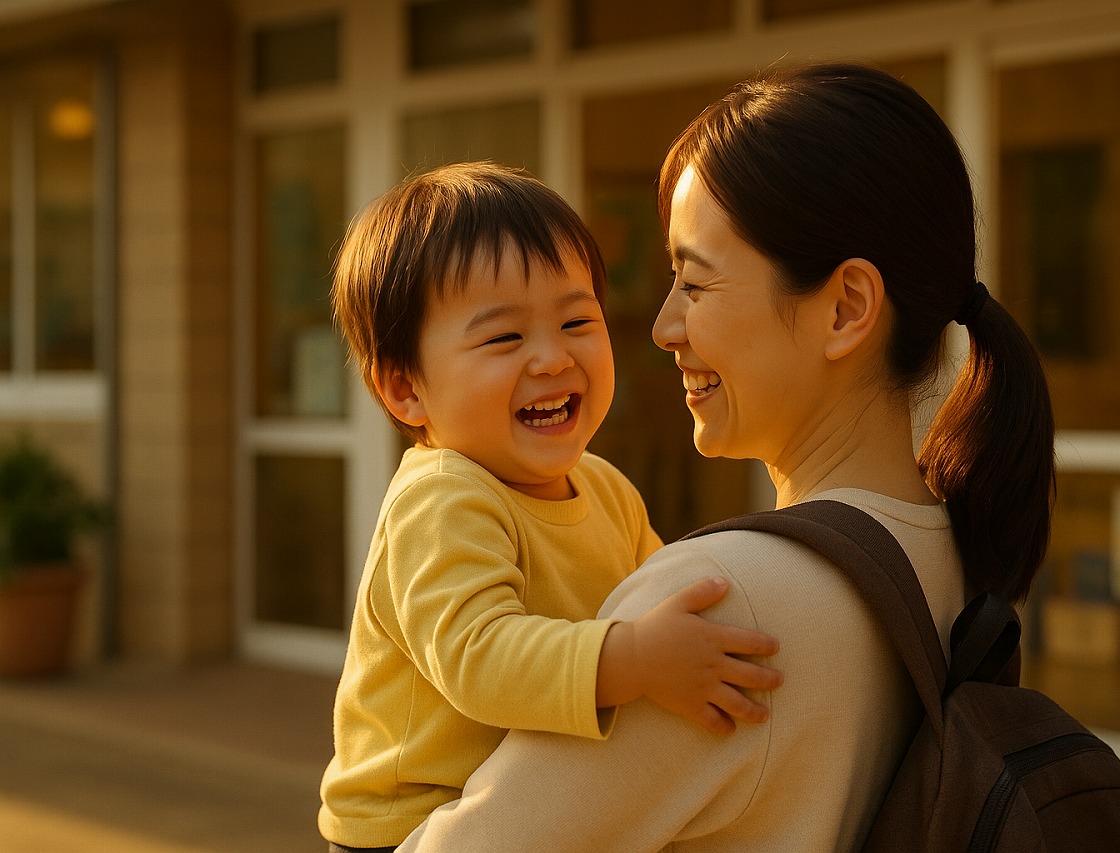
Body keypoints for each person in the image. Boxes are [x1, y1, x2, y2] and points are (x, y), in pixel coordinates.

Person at [396, 62, 1056, 852]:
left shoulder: (720, 613)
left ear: (845, 308)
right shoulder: (946, 551)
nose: (664, 325)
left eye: (696, 284)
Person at [319, 162, 784, 852]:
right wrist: (635, 656)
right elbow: (479, 656)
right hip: (409, 825)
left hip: (529, 807)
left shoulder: (604, 487)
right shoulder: (443, 495)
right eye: (505, 338)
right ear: (404, 389)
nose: (551, 358)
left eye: (576, 321)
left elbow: (661, 593)